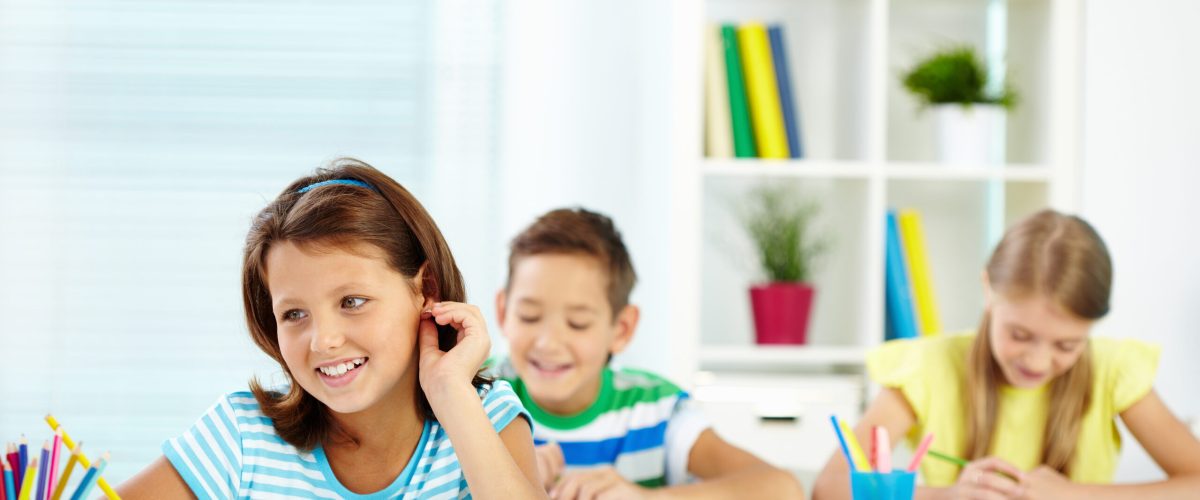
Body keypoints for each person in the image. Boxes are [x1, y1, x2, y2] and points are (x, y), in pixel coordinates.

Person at [119, 159, 544, 499]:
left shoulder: (484, 418)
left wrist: (452, 393)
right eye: (294, 314)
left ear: (425, 289)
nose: (323, 340)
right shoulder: (241, 438)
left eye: (352, 302)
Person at [813, 209, 1200, 499]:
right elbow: (829, 488)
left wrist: (1074, 495)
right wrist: (947, 496)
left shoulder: (1113, 371)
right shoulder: (926, 369)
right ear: (988, 291)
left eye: (1066, 345)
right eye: (1019, 334)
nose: (1037, 361)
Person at [490, 207, 803, 499]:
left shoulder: (655, 409)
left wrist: (644, 497)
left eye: (577, 323)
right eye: (529, 317)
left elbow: (782, 488)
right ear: (503, 312)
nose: (548, 343)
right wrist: (505, 483)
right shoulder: (477, 396)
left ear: (622, 328)